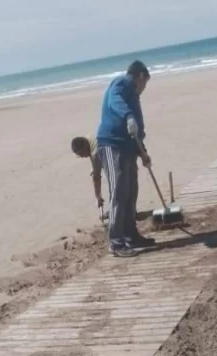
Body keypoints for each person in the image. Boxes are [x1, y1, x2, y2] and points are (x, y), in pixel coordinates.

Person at [96, 60, 155, 257]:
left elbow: (136, 133)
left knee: (131, 193)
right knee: (119, 192)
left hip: (129, 148)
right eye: (145, 84)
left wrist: (143, 152)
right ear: (140, 77)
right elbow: (114, 100)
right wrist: (129, 116)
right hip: (112, 145)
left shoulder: (134, 96)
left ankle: (131, 236)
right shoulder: (123, 83)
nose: (144, 89)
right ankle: (115, 242)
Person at [70, 135, 105, 212]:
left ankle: (118, 215)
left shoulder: (95, 153)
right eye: (79, 155)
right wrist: (95, 167)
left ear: (85, 145)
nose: (82, 156)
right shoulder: (89, 138)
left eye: (81, 153)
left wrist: (97, 197)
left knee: (117, 187)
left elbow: (96, 178)